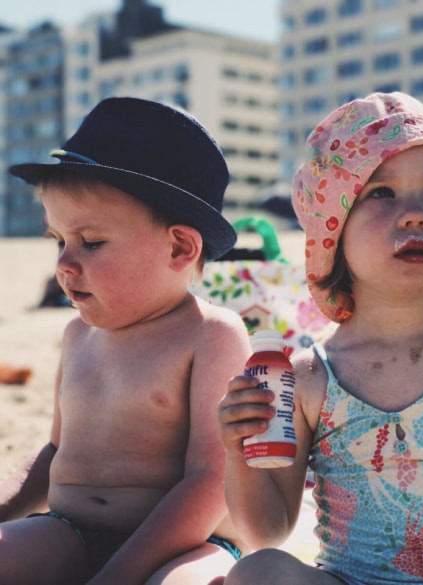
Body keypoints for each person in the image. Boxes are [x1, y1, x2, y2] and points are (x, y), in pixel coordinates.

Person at [218, 92, 423, 585]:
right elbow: (268, 529)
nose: (415, 214)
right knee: (257, 571)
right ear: (334, 232)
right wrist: (239, 453)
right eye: (381, 193)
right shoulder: (309, 376)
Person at [0, 97, 252, 584]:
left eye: (91, 242)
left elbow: (212, 478)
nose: (64, 264)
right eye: (58, 240)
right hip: (70, 529)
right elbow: (55, 451)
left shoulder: (211, 335)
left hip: (186, 543)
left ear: (179, 247)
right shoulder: (78, 334)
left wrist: (117, 576)